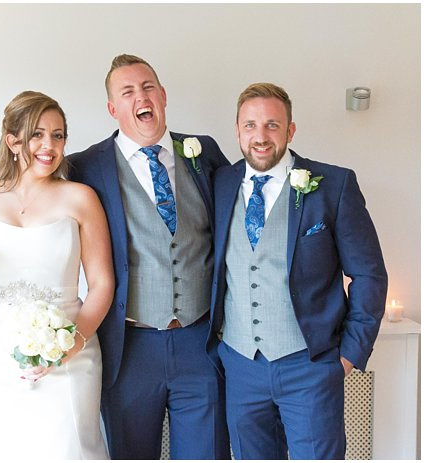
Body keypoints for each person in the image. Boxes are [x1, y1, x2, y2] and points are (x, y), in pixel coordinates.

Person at [211, 82, 388, 459]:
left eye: (272, 125)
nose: (260, 136)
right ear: (237, 129)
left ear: (290, 130)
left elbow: (370, 274)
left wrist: (348, 356)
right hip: (241, 367)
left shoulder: (334, 185)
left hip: (311, 366)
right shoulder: (220, 184)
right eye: (250, 125)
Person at [68, 54, 231, 459]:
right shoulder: (86, 166)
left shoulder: (203, 152)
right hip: (129, 346)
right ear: (113, 109)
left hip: (200, 340)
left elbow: (238, 217)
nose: (141, 97)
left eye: (148, 87)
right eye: (128, 92)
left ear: (162, 96)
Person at [0, 91, 114, 460]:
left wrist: (70, 344)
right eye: (37, 134)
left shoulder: (80, 197)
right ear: (12, 140)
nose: (50, 145)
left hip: (69, 348)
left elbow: (103, 284)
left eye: (58, 135)